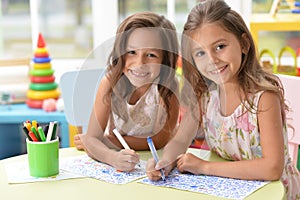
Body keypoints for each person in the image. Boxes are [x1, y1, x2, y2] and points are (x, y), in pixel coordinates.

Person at [146, 1, 300, 199]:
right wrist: (163, 162)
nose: (212, 60)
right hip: (231, 190)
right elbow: (181, 139)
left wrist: (205, 167)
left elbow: (272, 168)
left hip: (274, 193)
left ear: (243, 44)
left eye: (220, 47)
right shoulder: (205, 95)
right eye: (200, 53)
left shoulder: (264, 98)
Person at [75, 11, 180, 172]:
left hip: (156, 160)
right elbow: (91, 138)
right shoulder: (110, 83)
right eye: (131, 52)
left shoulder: (168, 88)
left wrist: (106, 141)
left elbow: (161, 140)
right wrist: (112, 157)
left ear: (165, 60)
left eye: (151, 55)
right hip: (122, 161)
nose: (139, 63)